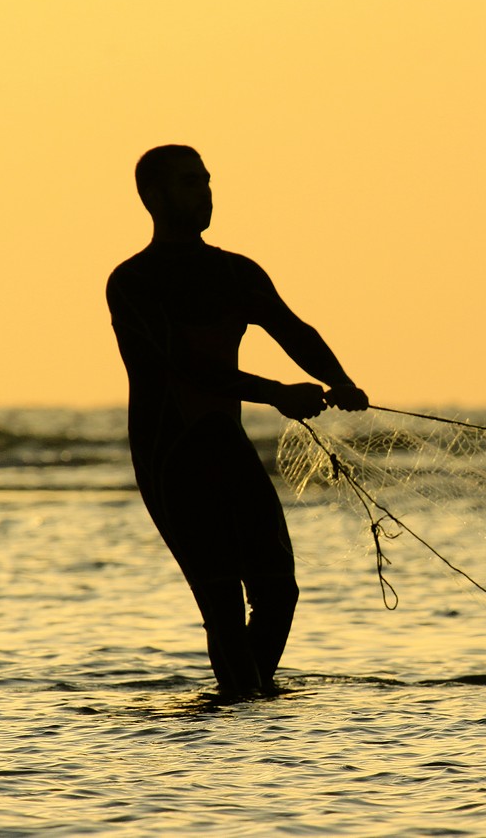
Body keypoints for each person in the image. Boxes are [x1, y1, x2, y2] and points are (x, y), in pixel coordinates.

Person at [106, 144, 368, 699]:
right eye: (188, 184)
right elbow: (183, 361)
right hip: (169, 453)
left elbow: (292, 330)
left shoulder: (235, 271)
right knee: (222, 601)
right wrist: (277, 393)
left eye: (206, 182)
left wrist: (339, 380)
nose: (203, 194)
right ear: (152, 197)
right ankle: (243, 712)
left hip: (225, 445)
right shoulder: (133, 281)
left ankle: (242, 701)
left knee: (279, 592)